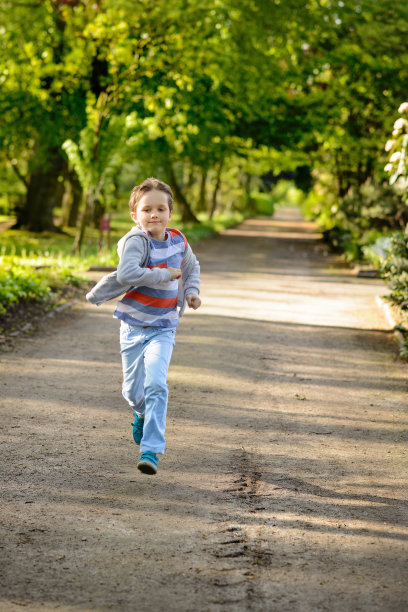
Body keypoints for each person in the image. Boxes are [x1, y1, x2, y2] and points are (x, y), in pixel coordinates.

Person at [86, 177, 201, 475]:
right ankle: (139, 413)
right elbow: (127, 274)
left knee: (156, 385)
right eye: (147, 209)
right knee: (134, 392)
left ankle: (151, 450)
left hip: (164, 326)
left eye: (160, 209)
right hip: (134, 327)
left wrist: (192, 292)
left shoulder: (178, 240)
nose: (154, 214)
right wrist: (164, 274)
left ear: (170, 214)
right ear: (135, 215)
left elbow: (191, 267)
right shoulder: (136, 241)